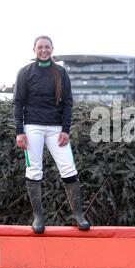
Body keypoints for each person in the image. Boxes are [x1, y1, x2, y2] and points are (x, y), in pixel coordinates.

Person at [13, 35, 90, 233]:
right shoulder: (25, 72)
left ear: (52, 49)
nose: (44, 50)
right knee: (34, 170)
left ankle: (78, 215)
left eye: (47, 47)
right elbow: (18, 103)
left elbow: (68, 103)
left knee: (68, 169)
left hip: (56, 129)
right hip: (33, 127)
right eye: (40, 47)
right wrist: (19, 132)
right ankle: (38, 217)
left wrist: (65, 129)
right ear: (34, 50)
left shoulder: (61, 73)